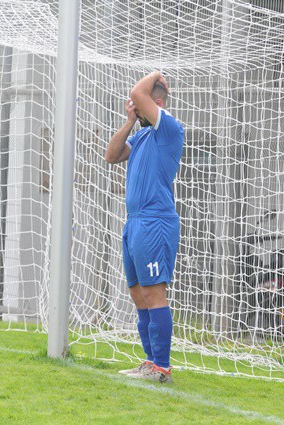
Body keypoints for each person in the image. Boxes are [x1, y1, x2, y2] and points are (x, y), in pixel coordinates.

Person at [104, 71, 184, 383]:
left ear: (157, 104)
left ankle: (162, 367)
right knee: (139, 296)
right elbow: (111, 155)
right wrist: (129, 122)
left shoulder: (170, 129)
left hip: (155, 222)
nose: (136, 109)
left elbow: (138, 92)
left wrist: (155, 75)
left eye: (140, 107)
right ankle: (151, 363)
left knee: (154, 294)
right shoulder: (140, 137)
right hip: (135, 223)